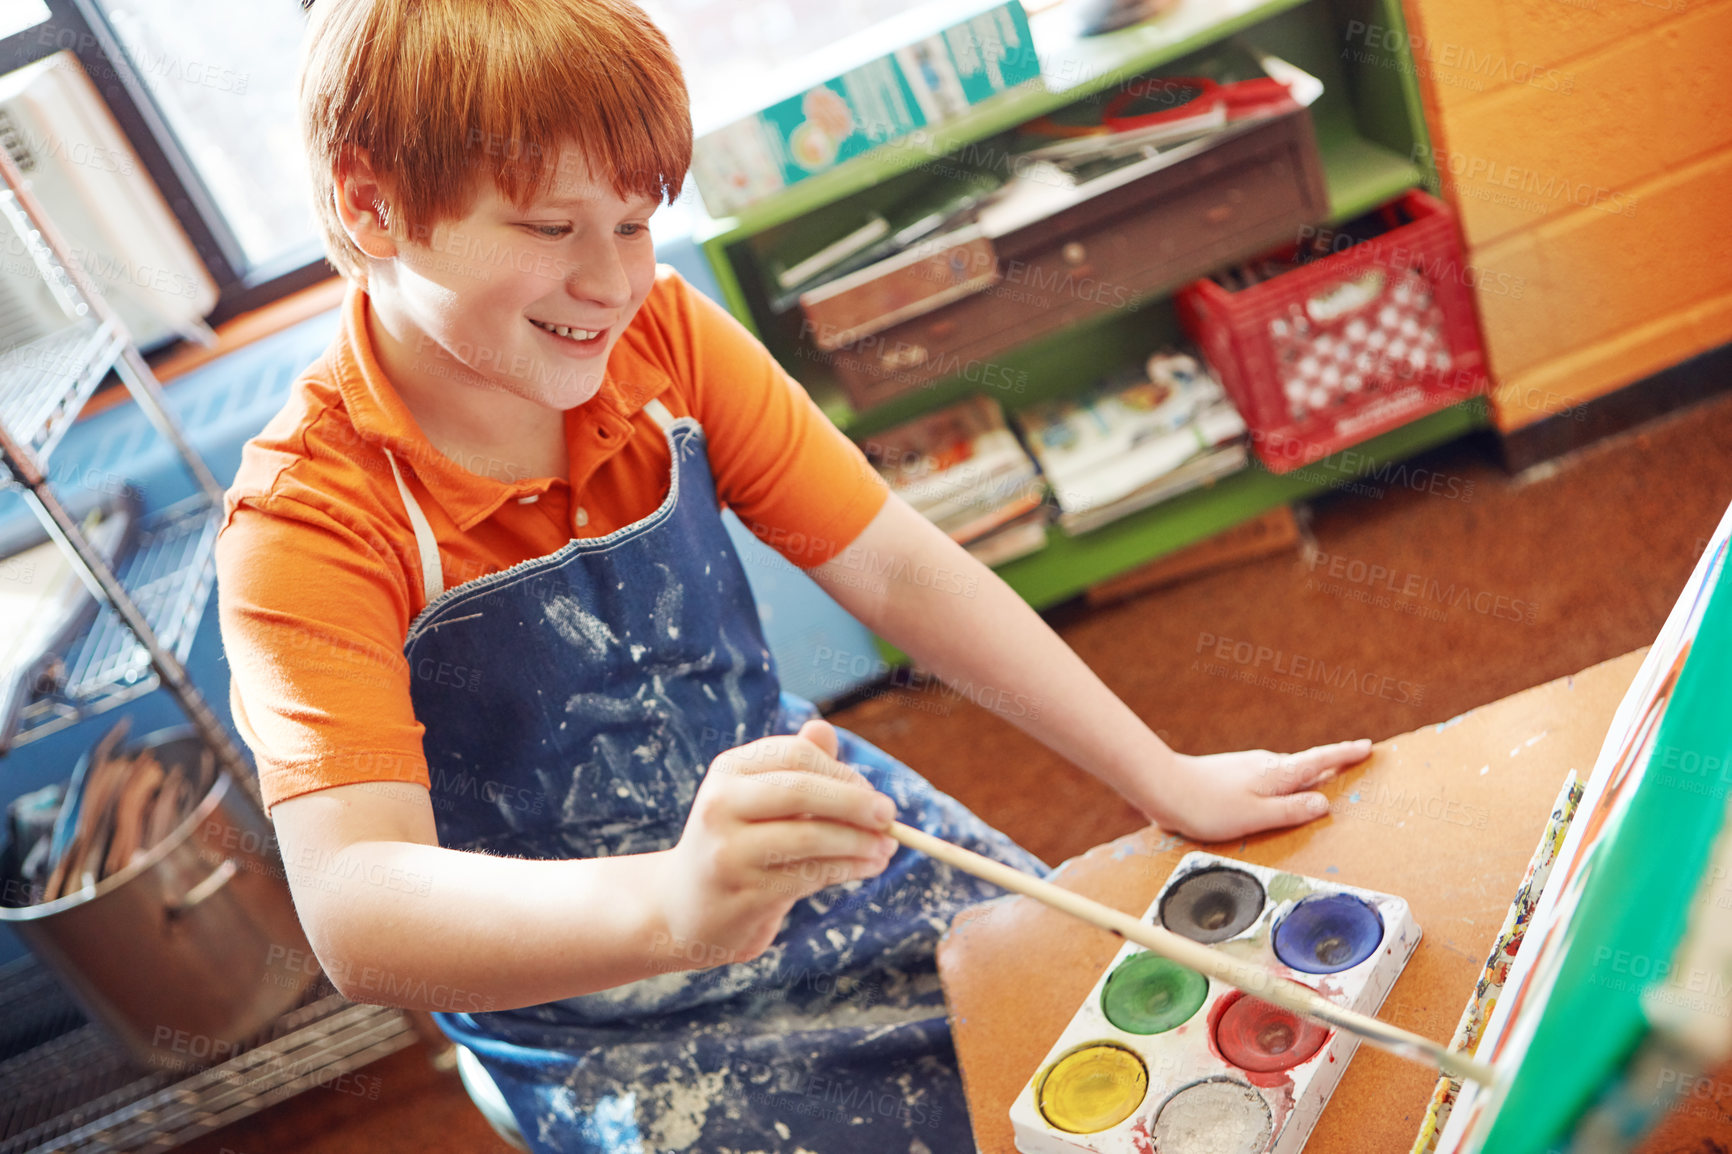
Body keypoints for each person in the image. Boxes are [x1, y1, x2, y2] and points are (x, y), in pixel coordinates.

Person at [214, 1, 1372, 1149]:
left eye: (631, 222)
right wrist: (675, 905)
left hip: (801, 837)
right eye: (550, 229)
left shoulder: (665, 333)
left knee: (1108, 1056)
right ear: (373, 205)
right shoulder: (305, 523)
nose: (611, 281)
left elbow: (899, 569)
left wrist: (1159, 774)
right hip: (587, 997)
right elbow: (358, 906)